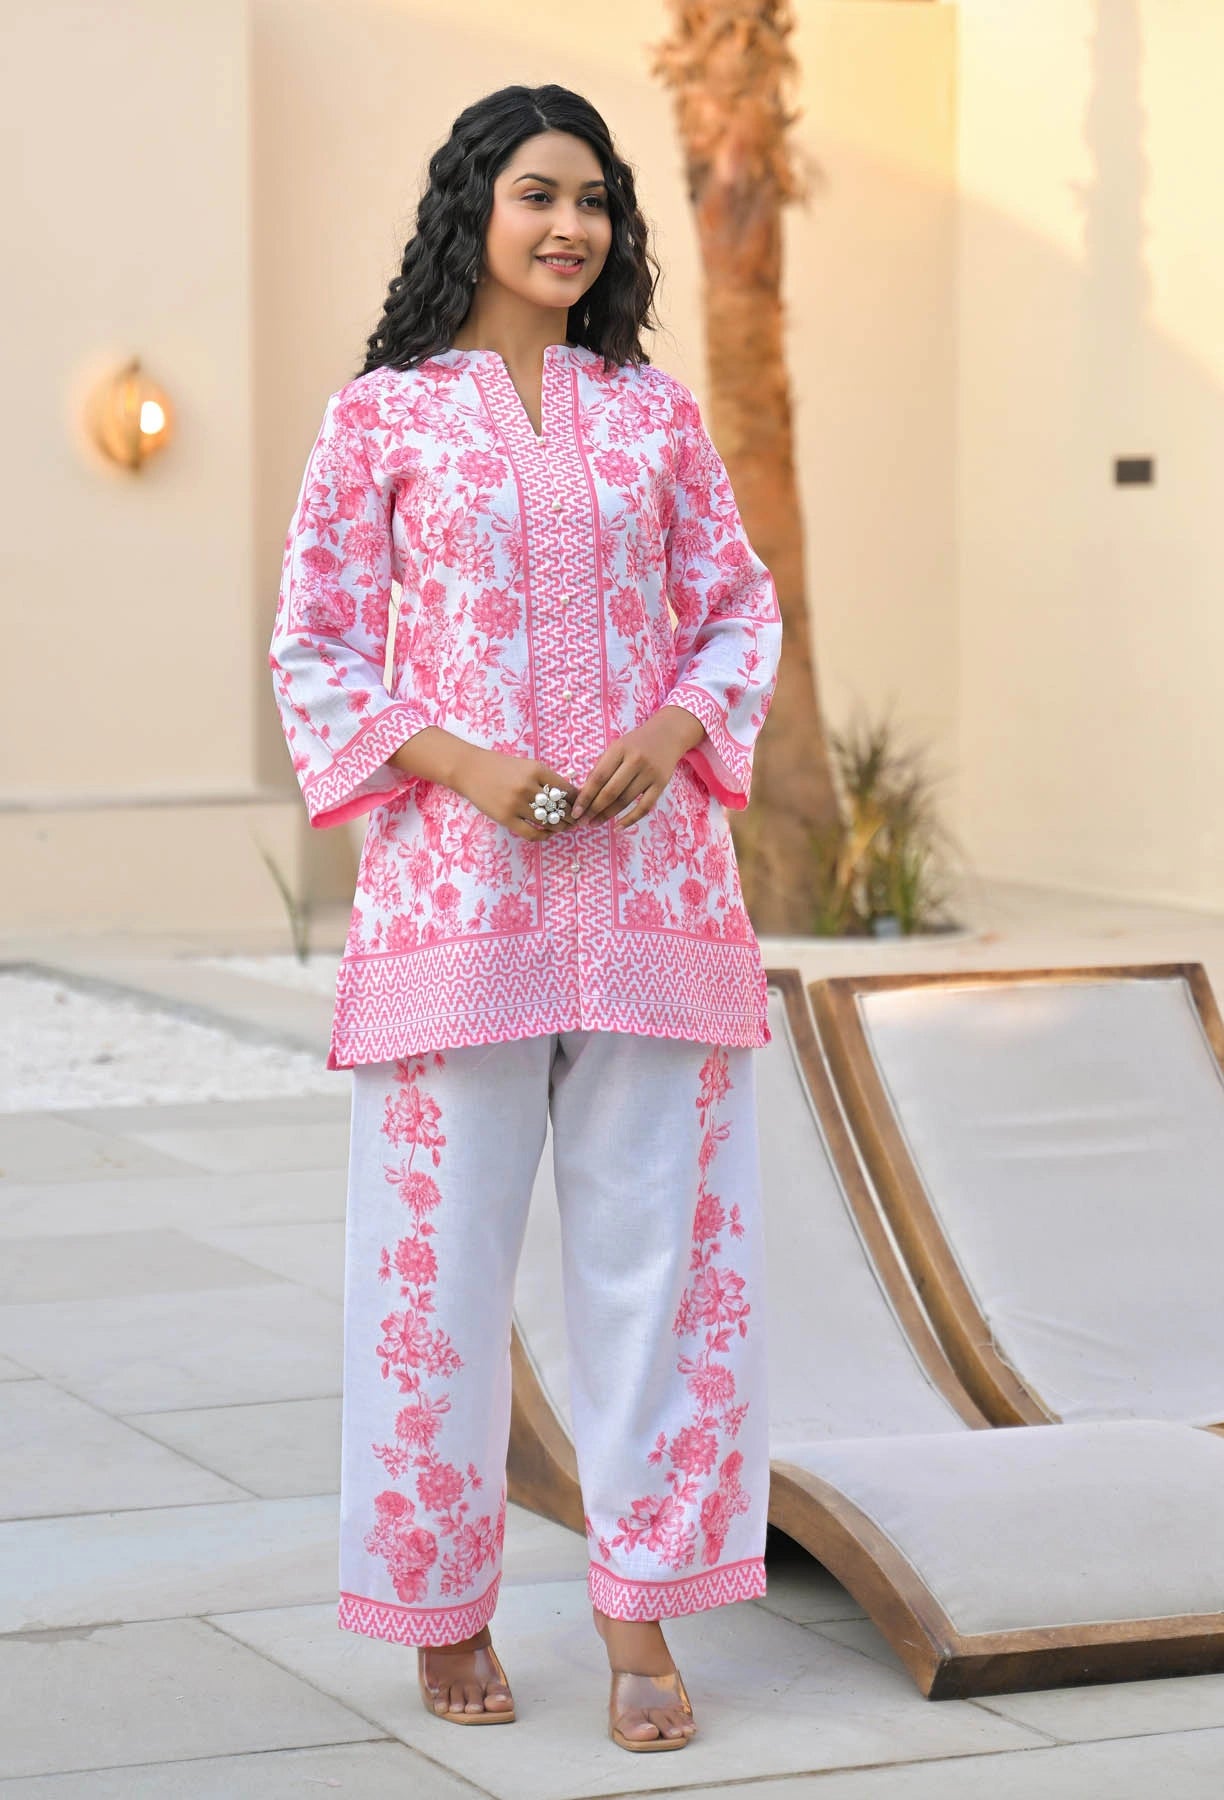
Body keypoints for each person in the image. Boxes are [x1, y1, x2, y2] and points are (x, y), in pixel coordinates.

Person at [267, 81, 782, 1753]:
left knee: (665, 1272)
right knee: (433, 1276)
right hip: (453, 907)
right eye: (538, 195)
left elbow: (736, 613)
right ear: (472, 208)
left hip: (655, 904)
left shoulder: (658, 419)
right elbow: (318, 648)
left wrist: (674, 730)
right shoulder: (381, 422)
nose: (573, 228)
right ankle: (444, 1603)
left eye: (596, 201)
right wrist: (465, 767)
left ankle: (641, 1606)